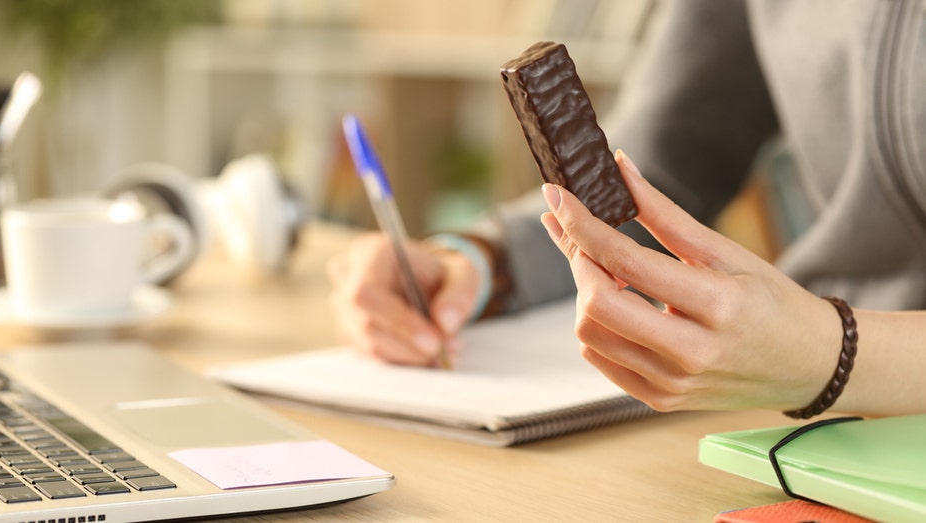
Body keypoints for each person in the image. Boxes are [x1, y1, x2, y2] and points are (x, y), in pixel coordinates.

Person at [326, 1, 926, 418]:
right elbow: (658, 177)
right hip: (815, 415)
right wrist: (482, 264)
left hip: (821, 378)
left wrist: (828, 351)